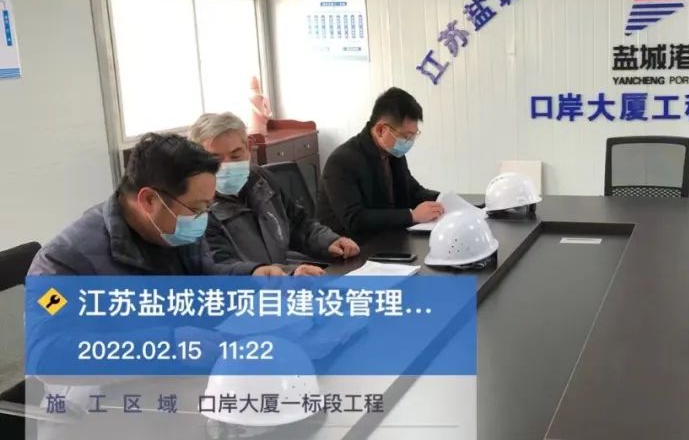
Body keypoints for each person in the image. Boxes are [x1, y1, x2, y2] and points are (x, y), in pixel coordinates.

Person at [29, 133, 286, 276]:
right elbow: (50, 346)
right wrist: (169, 339)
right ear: (149, 200)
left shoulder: (173, 230)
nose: (203, 218)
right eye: (197, 209)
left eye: (207, 208)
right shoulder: (63, 262)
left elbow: (205, 274)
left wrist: (253, 275)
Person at [189, 112, 359, 275]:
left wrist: (328, 241)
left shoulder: (260, 179)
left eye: (235, 155)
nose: (226, 166)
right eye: (215, 159)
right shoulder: (195, 208)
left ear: (248, 147)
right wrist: (289, 273)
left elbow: (297, 223)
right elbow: (222, 268)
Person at [317, 87, 444, 242]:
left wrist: (443, 200)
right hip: (351, 248)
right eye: (405, 136)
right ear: (380, 130)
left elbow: (413, 192)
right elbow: (355, 219)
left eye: (412, 136)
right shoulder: (341, 162)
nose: (409, 142)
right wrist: (411, 215)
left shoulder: (393, 154)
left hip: (388, 239)